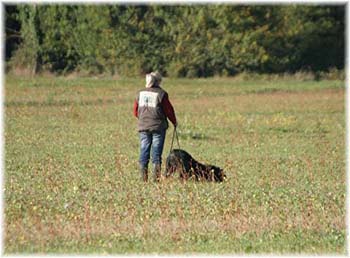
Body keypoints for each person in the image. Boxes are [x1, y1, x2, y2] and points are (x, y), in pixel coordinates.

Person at [133, 71, 177, 182]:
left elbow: (135, 111)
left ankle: (143, 178)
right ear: (158, 82)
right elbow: (168, 111)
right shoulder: (161, 94)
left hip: (143, 126)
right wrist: (174, 122)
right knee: (156, 153)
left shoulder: (140, 93)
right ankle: (156, 179)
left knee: (144, 150)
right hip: (158, 127)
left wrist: (143, 119)